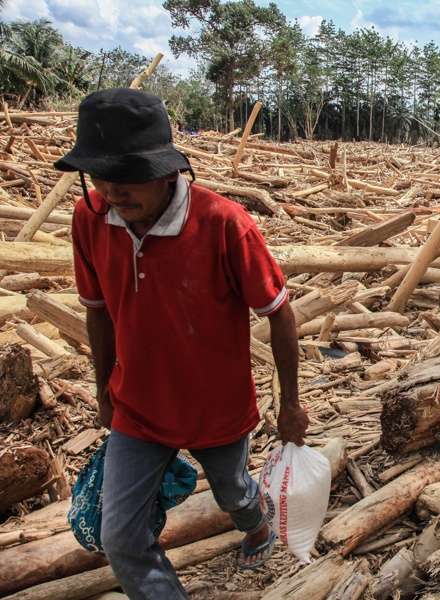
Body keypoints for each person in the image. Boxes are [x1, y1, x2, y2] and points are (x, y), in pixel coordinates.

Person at [56, 89, 309, 599]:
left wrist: (291, 404)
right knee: (121, 538)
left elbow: (280, 315)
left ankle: (255, 523)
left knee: (234, 492)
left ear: (168, 170)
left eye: (126, 178)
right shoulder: (90, 219)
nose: (112, 192)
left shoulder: (224, 225)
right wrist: (105, 390)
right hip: (138, 407)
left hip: (216, 407)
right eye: (100, 177)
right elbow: (97, 312)